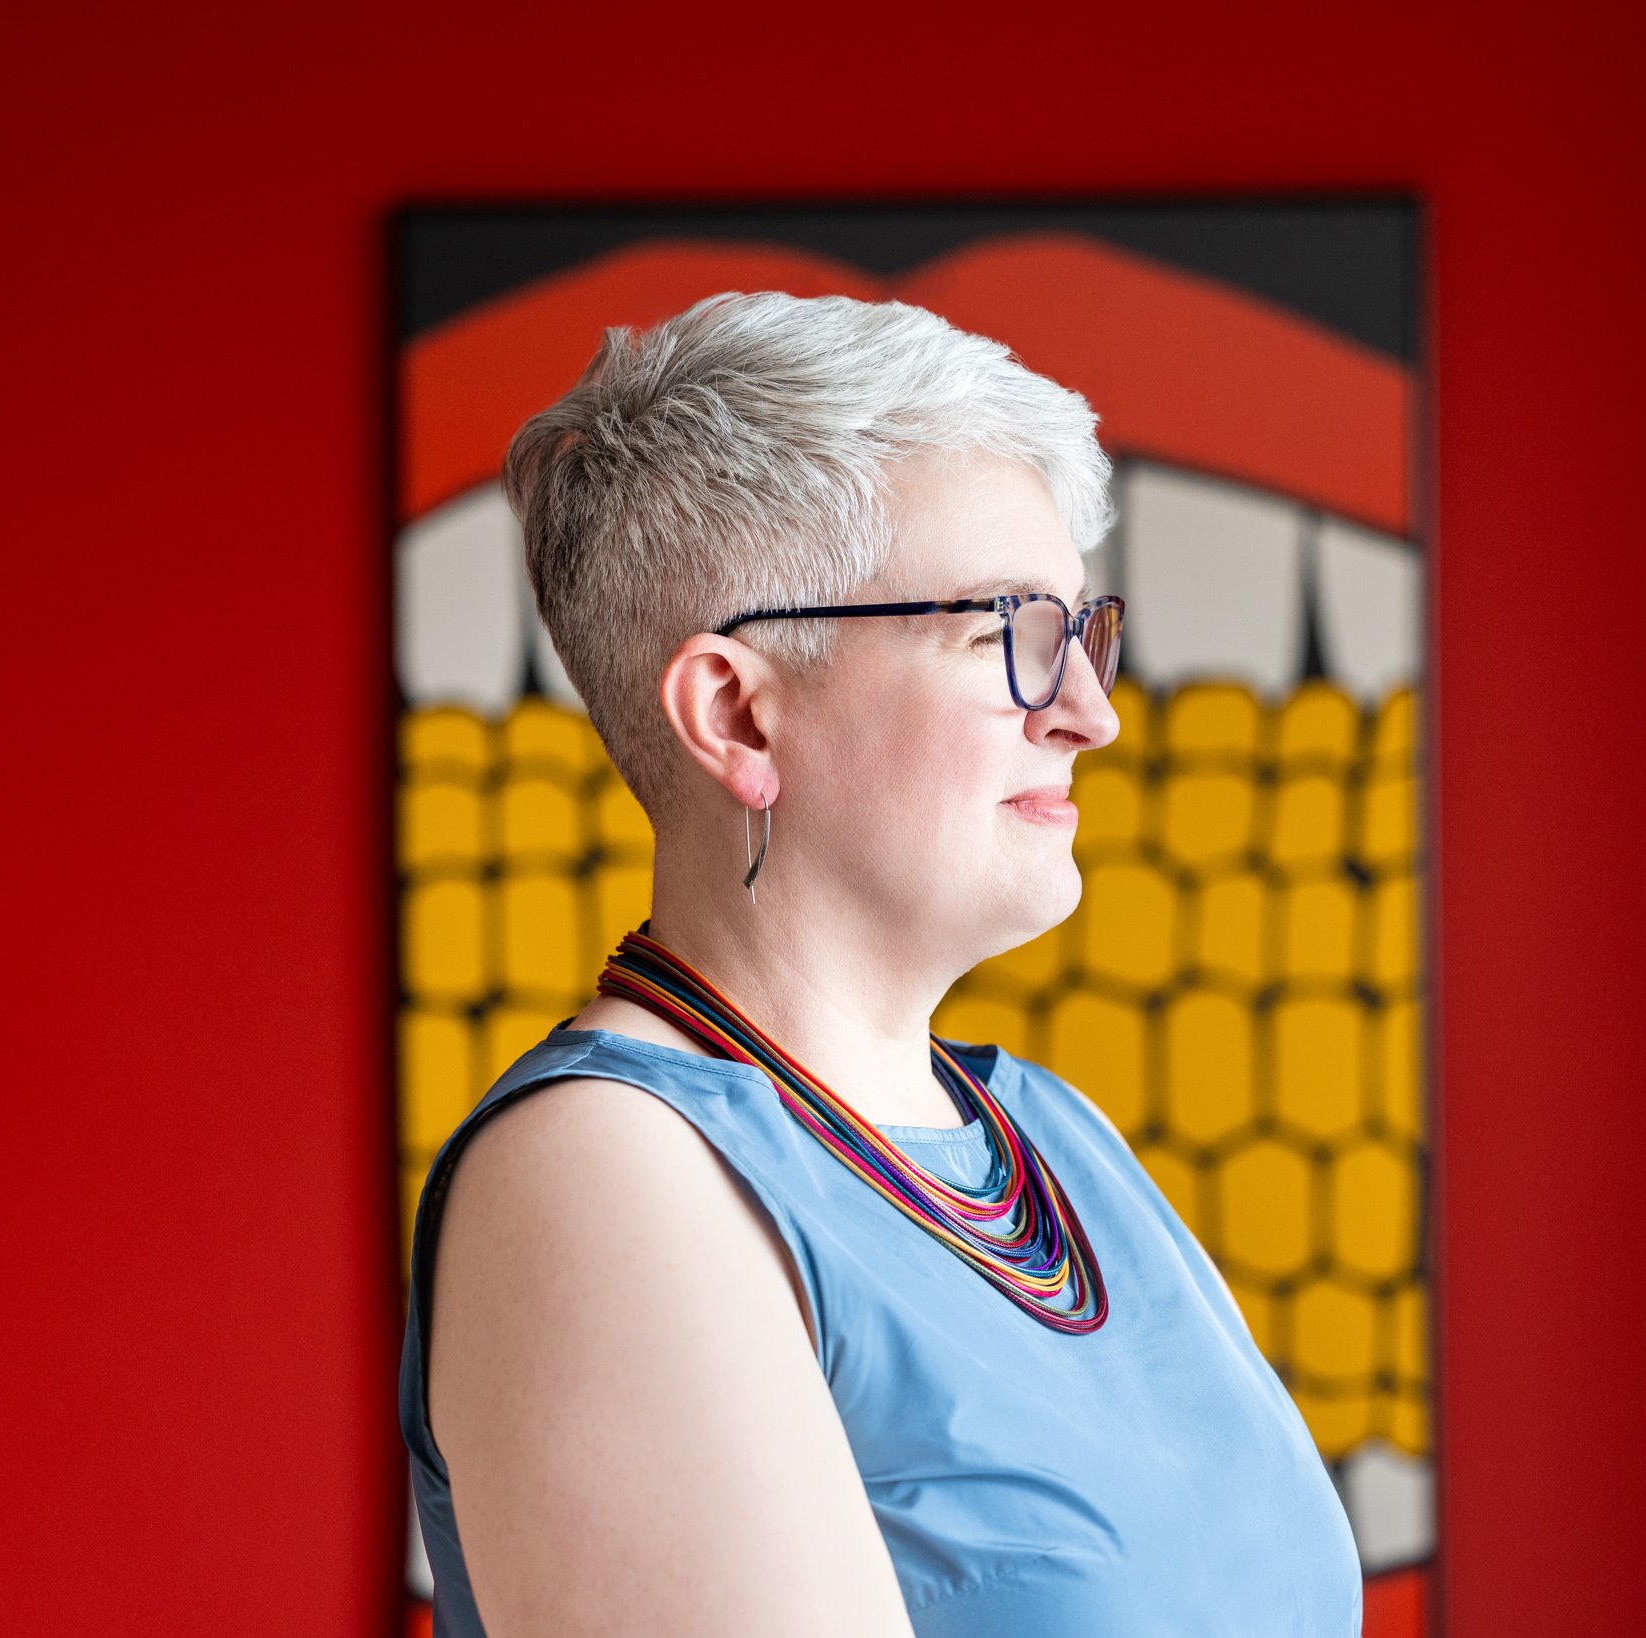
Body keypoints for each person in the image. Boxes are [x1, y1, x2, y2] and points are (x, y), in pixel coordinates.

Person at [396, 290, 1363, 1635]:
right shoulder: (606, 1173)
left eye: (1084, 635)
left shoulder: (1051, 1139)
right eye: (1009, 638)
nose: (1088, 713)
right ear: (738, 710)